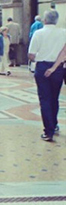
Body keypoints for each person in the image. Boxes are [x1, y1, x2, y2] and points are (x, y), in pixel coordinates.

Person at [29, 10, 65, 141]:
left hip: (42, 67)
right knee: (54, 97)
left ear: (44, 20)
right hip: (58, 68)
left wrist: (38, 58)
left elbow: (31, 54)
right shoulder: (63, 32)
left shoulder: (38, 33)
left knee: (45, 98)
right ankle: (54, 124)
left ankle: (48, 131)